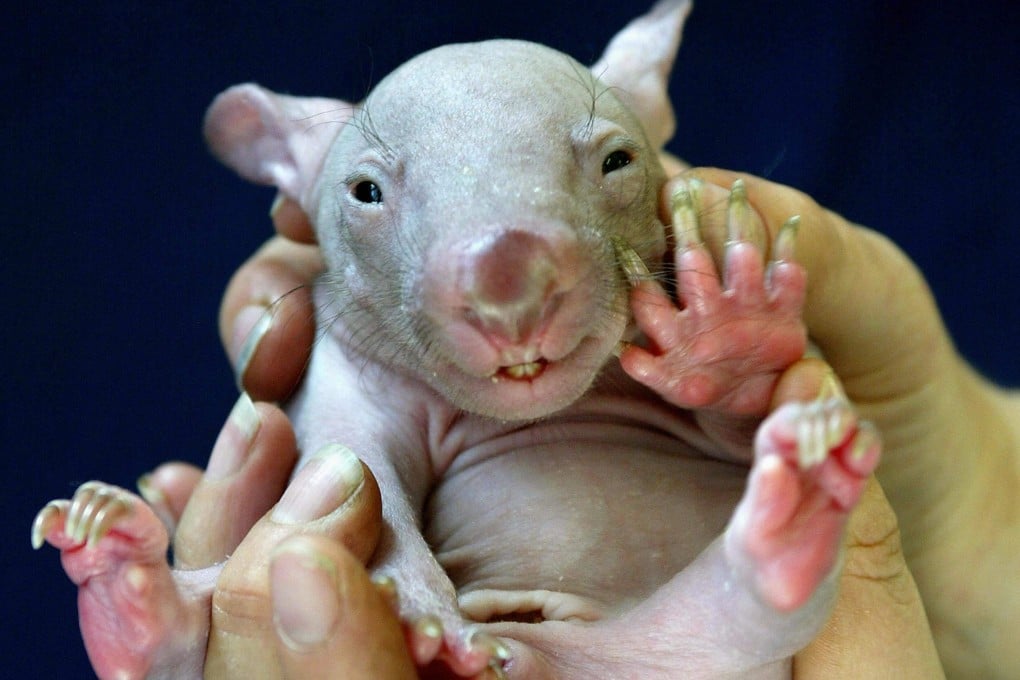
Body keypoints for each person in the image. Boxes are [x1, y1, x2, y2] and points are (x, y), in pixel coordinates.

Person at [147, 161, 1020, 677]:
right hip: (510, 643)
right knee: (287, 568)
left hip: (679, 642)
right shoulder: (355, 324)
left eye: (605, 163)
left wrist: (978, 521)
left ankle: (760, 570)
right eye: (374, 190)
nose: (508, 297)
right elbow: (347, 482)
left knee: (739, 611)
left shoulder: (674, 281)